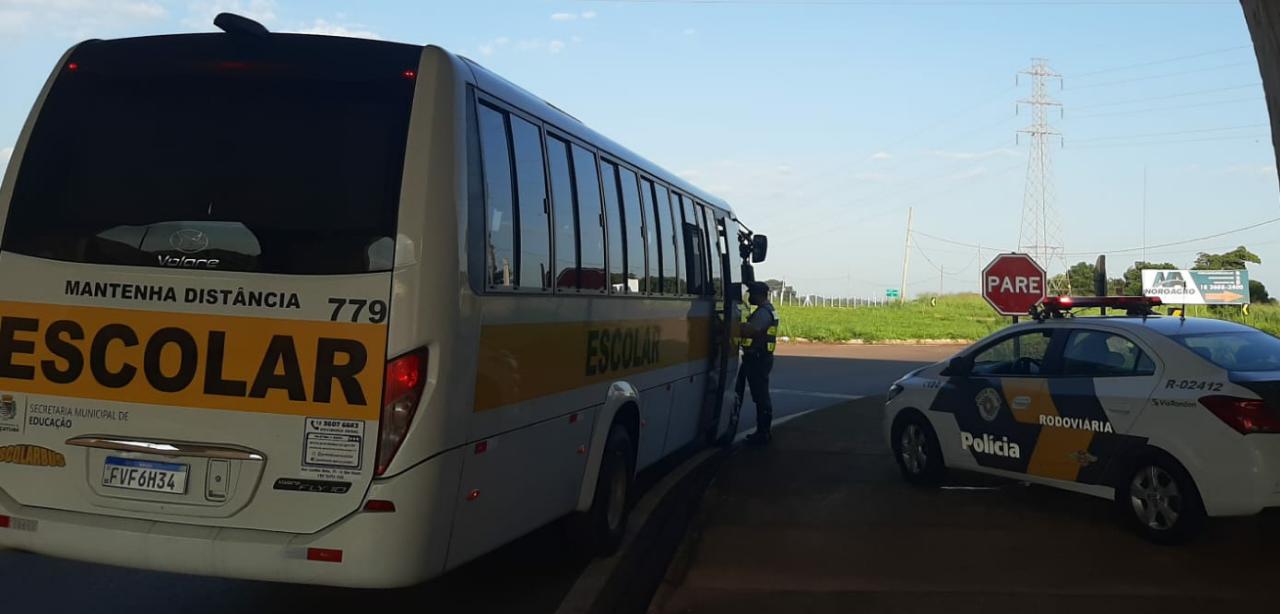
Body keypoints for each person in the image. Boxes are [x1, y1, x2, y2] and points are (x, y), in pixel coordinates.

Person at [740, 281, 779, 445]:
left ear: (759, 295)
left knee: (761, 396)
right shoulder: (768, 310)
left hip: (758, 358)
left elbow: (752, 330)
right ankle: (763, 432)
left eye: (751, 294)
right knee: (760, 395)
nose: (749, 297)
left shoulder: (763, 313)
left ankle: (763, 433)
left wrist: (729, 326)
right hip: (761, 357)